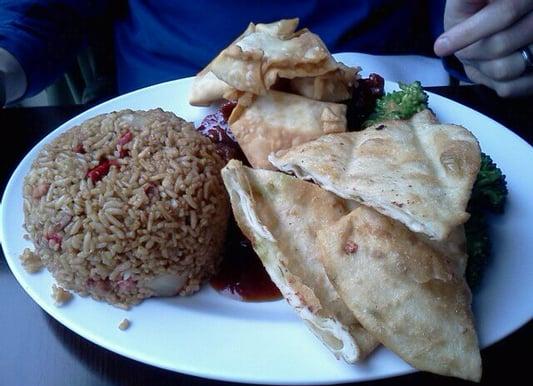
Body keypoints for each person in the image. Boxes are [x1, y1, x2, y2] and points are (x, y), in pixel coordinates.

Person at [0, 0, 531, 107]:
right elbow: (41, 13)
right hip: (159, 118)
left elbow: (465, 15)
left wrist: (499, 41)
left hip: (392, 101)